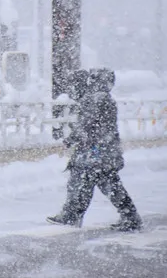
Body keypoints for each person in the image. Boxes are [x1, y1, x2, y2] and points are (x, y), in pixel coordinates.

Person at [47, 68, 142, 231]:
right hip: (105, 150)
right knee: (106, 183)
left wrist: (70, 140)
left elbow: (86, 125)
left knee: (82, 180)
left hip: (93, 151)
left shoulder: (93, 99)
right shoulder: (106, 98)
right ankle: (130, 216)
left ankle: (72, 215)